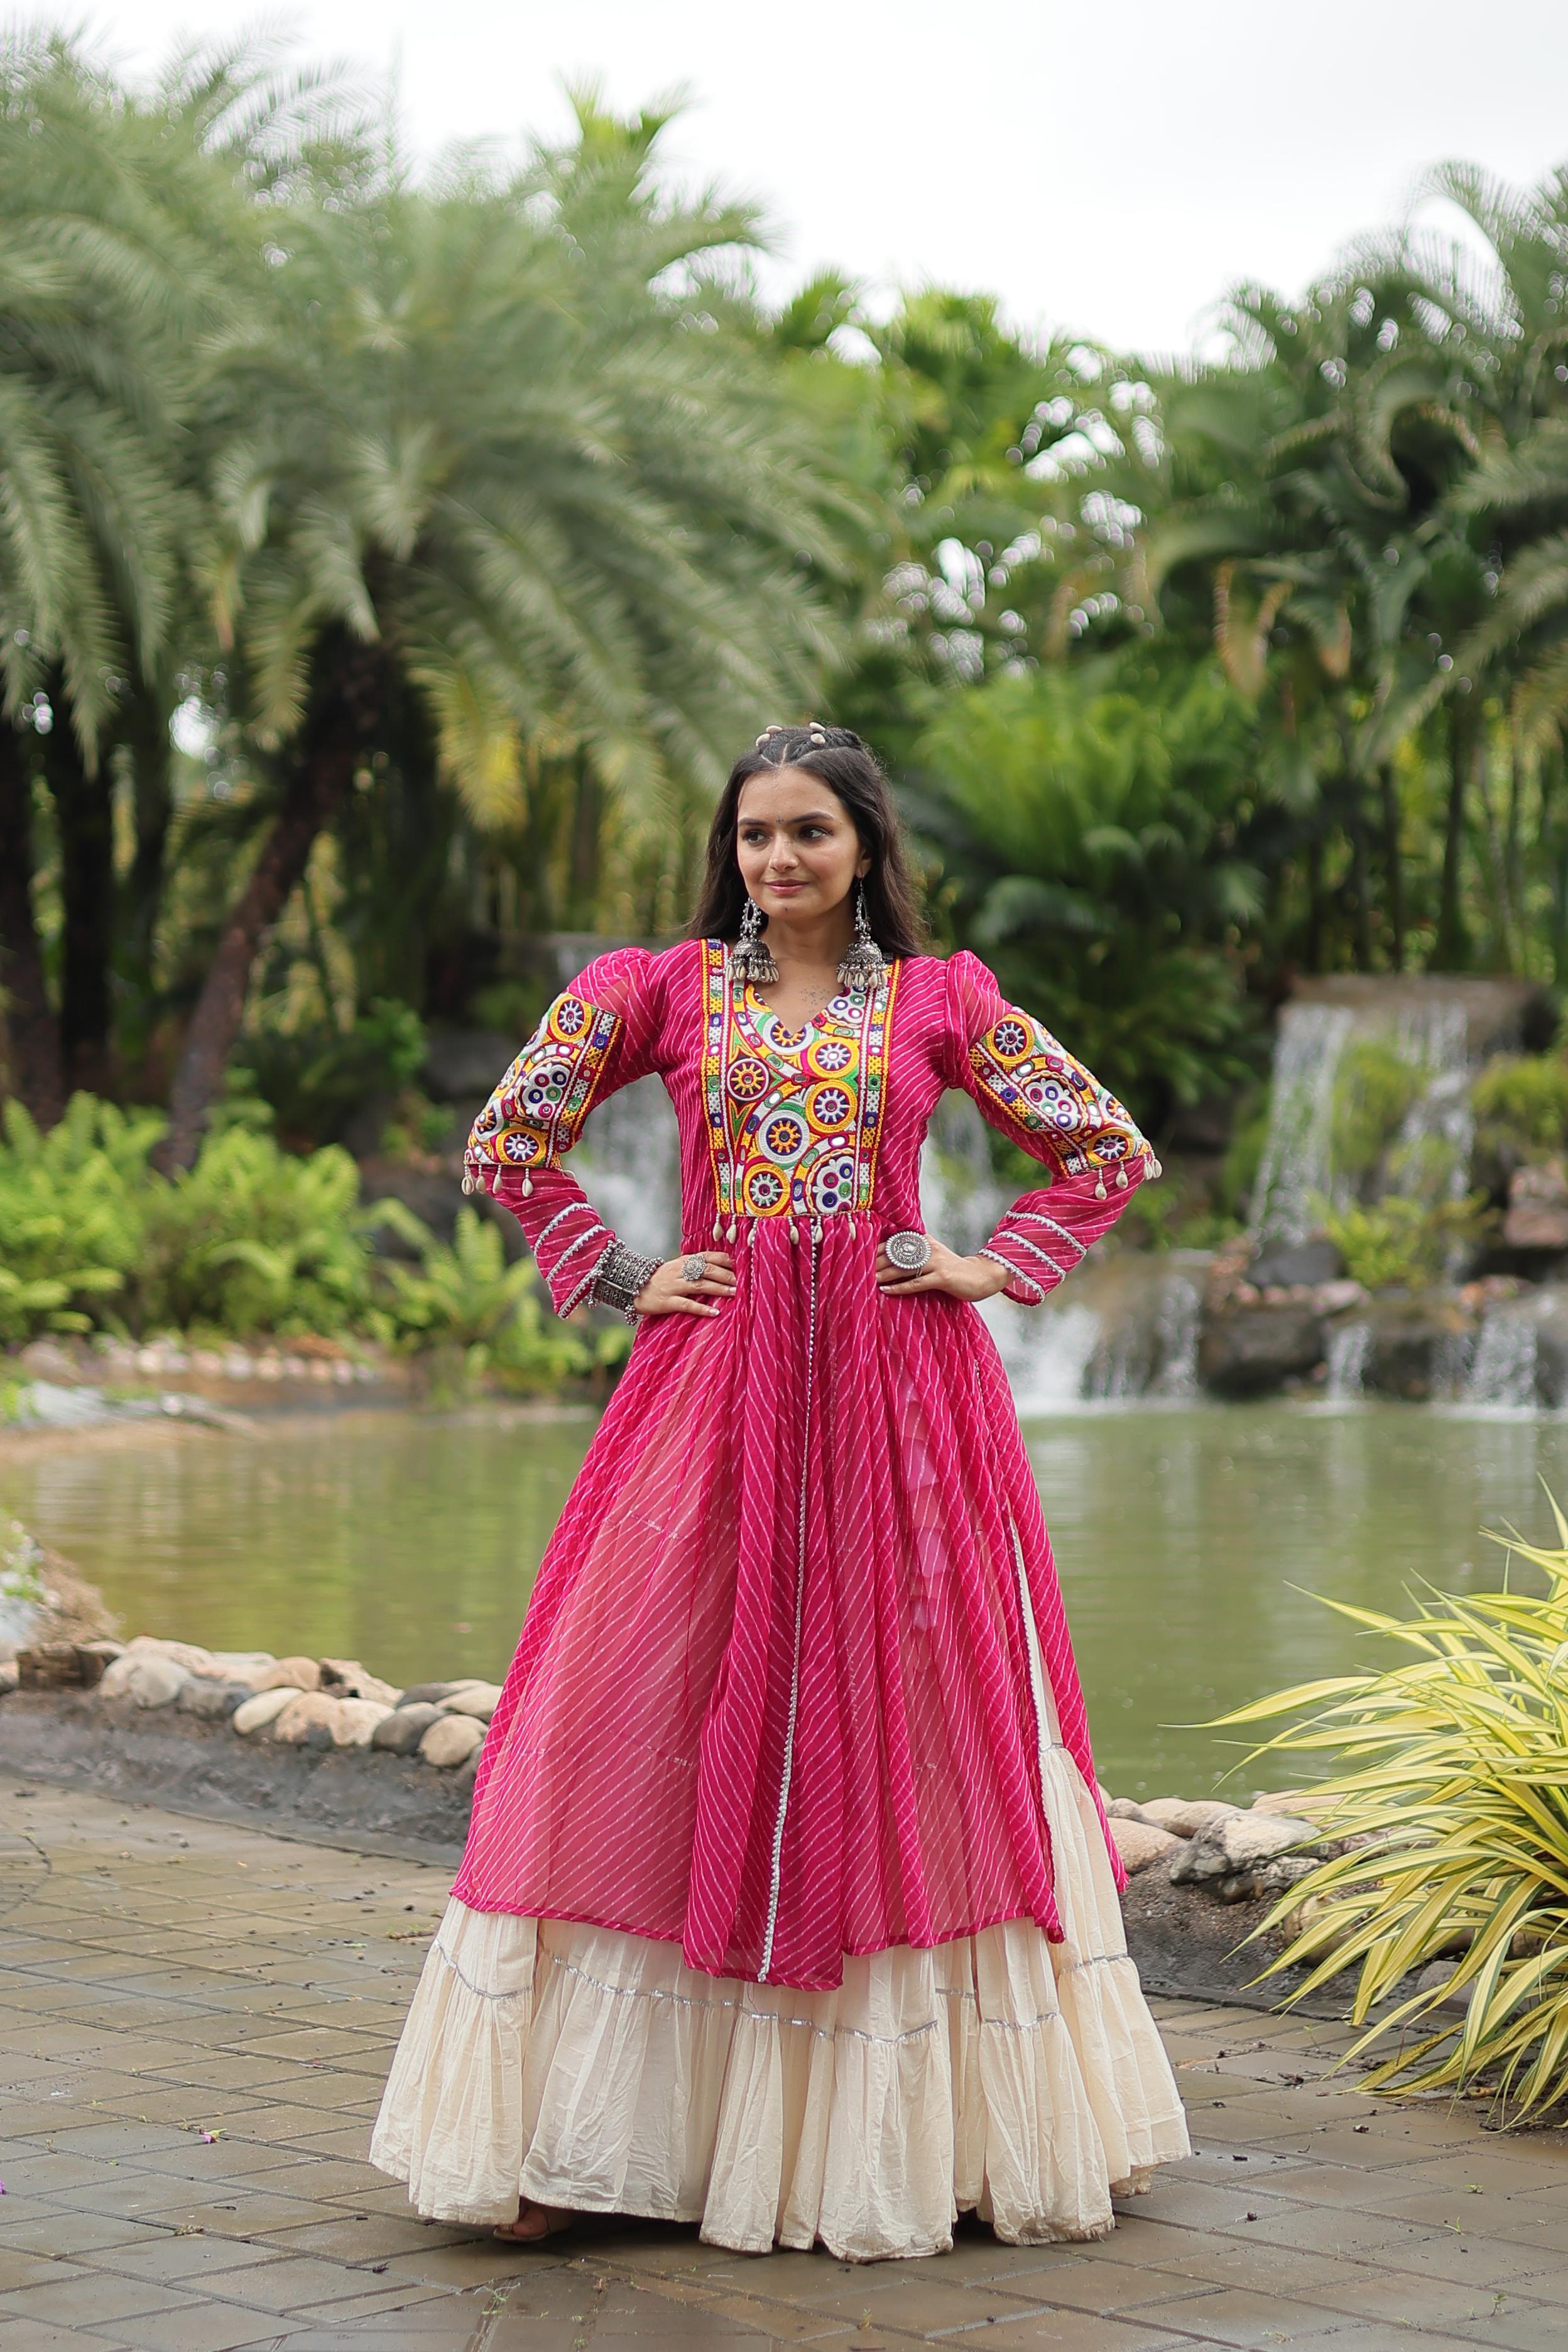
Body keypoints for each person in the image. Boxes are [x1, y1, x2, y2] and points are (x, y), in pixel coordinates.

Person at [371, 723, 1188, 2262]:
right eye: (756, 836)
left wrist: (986, 1266)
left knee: (909, 1716)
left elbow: (1105, 1147)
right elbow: (509, 1136)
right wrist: (618, 1271)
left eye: (812, 832)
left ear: (867, 846)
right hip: (716, 1378)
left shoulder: (945, 1004)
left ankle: (900, 2142)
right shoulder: (653, 988)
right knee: (626, 1697)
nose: (780, 860)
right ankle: (583, 2134)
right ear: (729, 851)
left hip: (897, 1396)